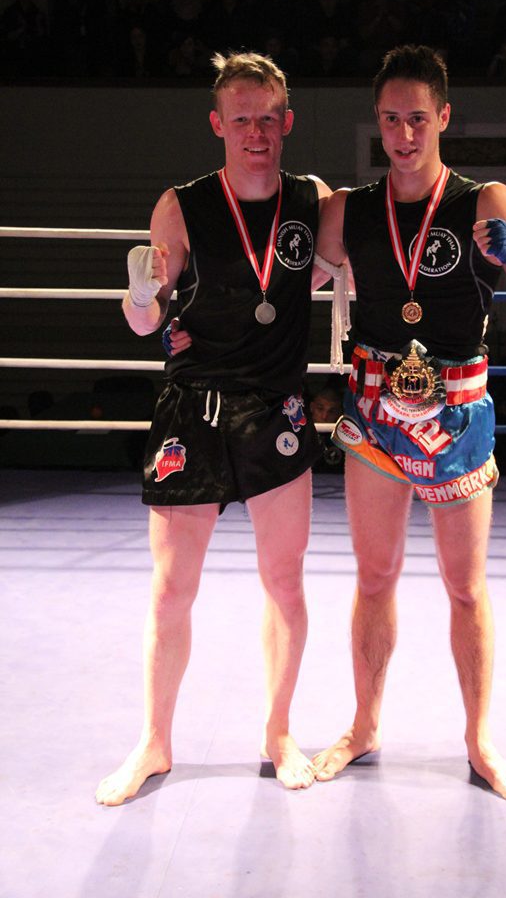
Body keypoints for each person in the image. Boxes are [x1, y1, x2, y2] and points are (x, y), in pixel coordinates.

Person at [314, 44, 506, 801]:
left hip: (456, 417)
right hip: (373, 415)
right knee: (374, 577)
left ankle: (479, 739)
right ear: (377, 120)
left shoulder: (485, 202)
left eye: (418, 119)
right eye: (391, 119)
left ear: (444, 118)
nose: (404, 135)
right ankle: (365, 724)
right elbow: (280, 273)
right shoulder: (347, 211)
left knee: (464, 588)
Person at [95, 51, 331, 805]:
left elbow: (341, 263)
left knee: (284, 582)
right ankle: (154, 742)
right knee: (171, 589)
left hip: (276, 409)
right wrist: (140, 295)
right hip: (192, 409)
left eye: (268, 119)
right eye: (241, 120)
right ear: (217, 124)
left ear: (287, 122)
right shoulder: (182, 205)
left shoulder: (314, 201)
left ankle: (278, 733)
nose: (256, 132)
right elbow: (144, 322)